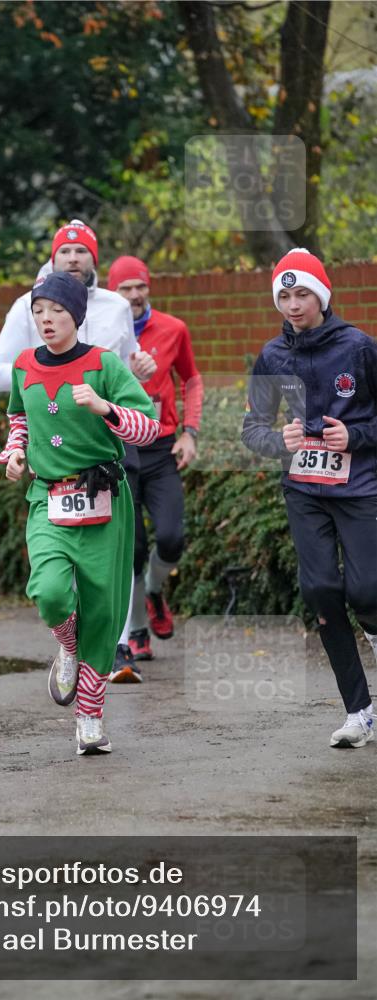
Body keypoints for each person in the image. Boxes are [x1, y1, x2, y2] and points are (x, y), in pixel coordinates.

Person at [0, 272, 160, 756]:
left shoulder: (103, 363)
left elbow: (148, 428)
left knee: (104, 611)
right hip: (48, 498)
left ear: (77, 316)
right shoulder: (24, 366)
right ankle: (66, 645)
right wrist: (15, 453)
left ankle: (90, 718)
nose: (46, 320)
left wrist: (105, 407)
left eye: (57, 312)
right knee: (49, 592)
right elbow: (19, 418)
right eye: (39, 312)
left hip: (104, 499)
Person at [242, 248, 377, 749]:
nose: (293, 305)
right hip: (304, 491)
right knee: (321, 592)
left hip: (360, 487)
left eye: (302, 294)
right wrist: (281, 442)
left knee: (367, 593)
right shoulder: (272, 356)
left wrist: (356, 436)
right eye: (284, 295)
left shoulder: (361, 348)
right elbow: (252, 429)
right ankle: (359, 712)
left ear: (322, 295)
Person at [106, 256, 203, 681]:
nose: (133, 295)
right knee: (131, 548)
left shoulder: (173, 329)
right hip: (121, 449)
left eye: (139, 287)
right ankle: (137, 632)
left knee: (171, 536)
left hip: (162, 448)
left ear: (149, 288)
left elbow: (192, 379)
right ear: (112, 294)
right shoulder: (103, 335)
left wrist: (191, 432)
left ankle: (154, 591)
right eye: (124, 289)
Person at [0, 220, 156, 392]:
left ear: (94, 259)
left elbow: (127, 364)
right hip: (50, 415)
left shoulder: (118, 305)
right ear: (53, 259)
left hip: (106, 416)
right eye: (65, 251)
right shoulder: (26, 305)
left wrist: (139, 371)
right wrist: (49, 372)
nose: (73, 259)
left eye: (81, 251)